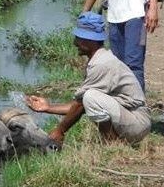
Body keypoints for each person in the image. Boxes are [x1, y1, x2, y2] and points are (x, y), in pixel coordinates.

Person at [26, 12, 151, 145]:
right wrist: (48, 107)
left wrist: (60, 130)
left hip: (136, 123)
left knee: (90, 96)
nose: (75, 43)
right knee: (89, 98)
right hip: (131, 119)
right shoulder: (99, 59)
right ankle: (112, 142)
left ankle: (112, 144)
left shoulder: (102, 64)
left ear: (90, 41)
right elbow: (81, 105)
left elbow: (81, 104)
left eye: (79, 38)